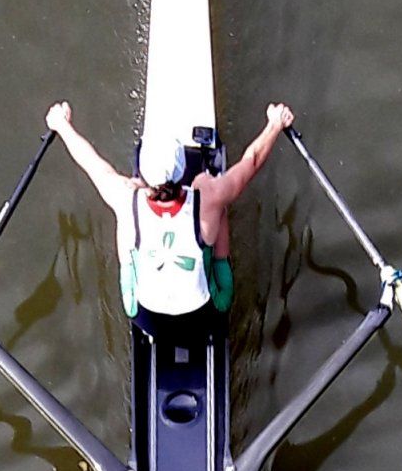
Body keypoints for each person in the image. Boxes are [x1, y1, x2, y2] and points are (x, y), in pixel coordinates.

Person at [44, 99, 295, 320]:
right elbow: (251, 161)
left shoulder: (124, 196)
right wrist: (275, 124)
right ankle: (218, 266)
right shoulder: (208, 197)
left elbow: (91, 163)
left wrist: (62, 125)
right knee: (215, 197)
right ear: (182, 167)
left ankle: (134, 269)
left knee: (126, 206)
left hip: (144, 316)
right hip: (205, 314)